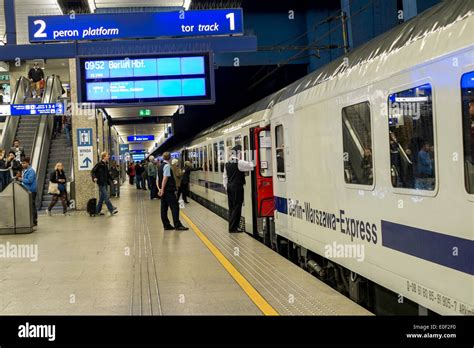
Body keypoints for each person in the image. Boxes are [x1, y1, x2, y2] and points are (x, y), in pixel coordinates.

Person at [223, 145, 254, 233]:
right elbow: (251, 166)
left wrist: (227, 187)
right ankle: (233, 228)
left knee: (232, 207)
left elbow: (224, 177)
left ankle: (232, 226)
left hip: (229, 186)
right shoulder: (239, 162)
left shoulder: (227, 163)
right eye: (241, 152)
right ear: (238, 153)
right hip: (237, 187)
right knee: (237, 207)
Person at [158, 152, 188, 231]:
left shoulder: (160, 166)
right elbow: (165, 178)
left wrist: (160, 189)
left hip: (164, 190)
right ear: (170, 158)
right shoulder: (167, 166)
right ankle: (177, 225)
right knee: (175, 207)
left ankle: (166, 225)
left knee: (164, 208)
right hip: (168, 190)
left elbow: (157, 179)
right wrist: (163, 190)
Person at [91, 152, 118, 216]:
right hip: (101, 183)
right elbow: (93, 171)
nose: (108, 157)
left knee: (102, 198)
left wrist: (113, 180)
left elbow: (108, 174)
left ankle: (97, 211)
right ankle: (111, 210)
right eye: (107, 156)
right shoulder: (99, 164)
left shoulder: (105, 164)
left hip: (105, 183)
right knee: (106, 197)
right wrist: (94, 177)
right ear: (104, 157)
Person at [17, 157, 37, 226]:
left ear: (28, 163)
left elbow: (29, 181)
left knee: (32, 205)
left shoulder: (31, 170)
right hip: (26, 190)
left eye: (24, 163)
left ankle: (34, 220)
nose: (22, 164)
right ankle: (31, 220)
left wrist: (21, 179)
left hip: (31, 190)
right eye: (22, 163)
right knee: (30, 205)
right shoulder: (25, 170)